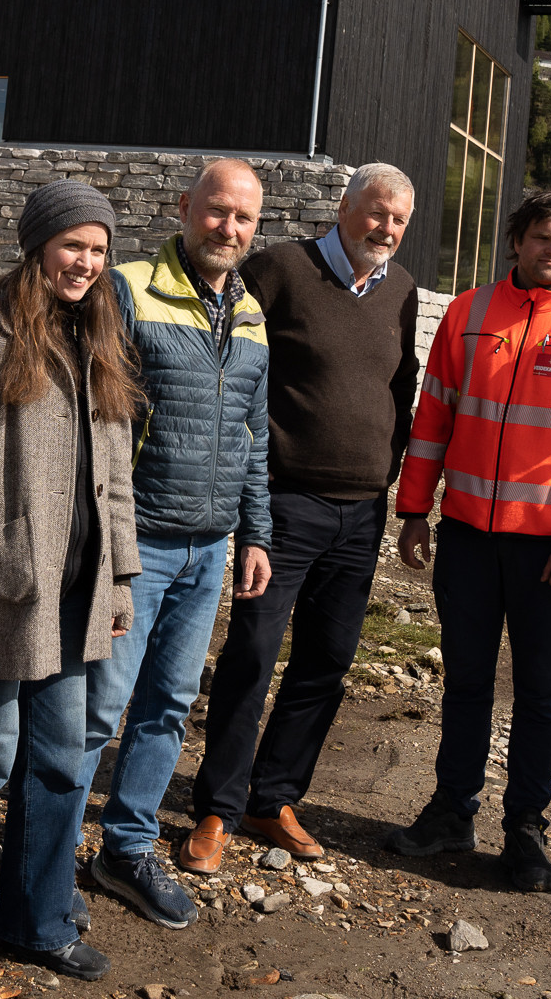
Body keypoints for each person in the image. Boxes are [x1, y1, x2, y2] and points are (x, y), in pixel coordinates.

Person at [0, 178, 145, 983]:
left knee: (57, 763)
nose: (86, 262)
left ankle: (37, 921)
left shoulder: (100, 335)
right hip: (2, 587)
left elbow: (115, 472)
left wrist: (120, 581)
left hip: (78, 596)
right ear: (39, 246)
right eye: (73, 245)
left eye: (99, 250)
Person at [383, 189, 551, 891]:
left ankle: (525, 830)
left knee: (539, 694)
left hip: (549, 550)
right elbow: (432, 416)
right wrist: (413, 508)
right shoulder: (467, 313)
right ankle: (449, 812)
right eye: (542, 239)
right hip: (465, 534)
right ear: (516, 242)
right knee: (464, 683)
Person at [179, 162, 422, 873]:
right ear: (344, 207)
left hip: (362, 510)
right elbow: (233, 368)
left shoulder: (402, 290)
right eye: (376, 213)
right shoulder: (279, 270)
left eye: (399, 221)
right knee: (253, 655)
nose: (386, 229)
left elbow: (398, 390)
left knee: (326, 663)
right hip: (285, 502)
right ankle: (216, 810)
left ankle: (273, 797)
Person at [76, 158, 272, 927]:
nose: (229, 228)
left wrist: (255, 532)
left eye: (244, 219)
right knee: (99, 706)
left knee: (167, 709)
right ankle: (49, 853)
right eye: (218, 211)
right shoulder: (126, 288)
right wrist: (108, 539)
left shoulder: (251, 312)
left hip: (209, 550)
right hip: (135, 544)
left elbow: (254, 434)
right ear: (187, 207)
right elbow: (98, 421)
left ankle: (124, 850)